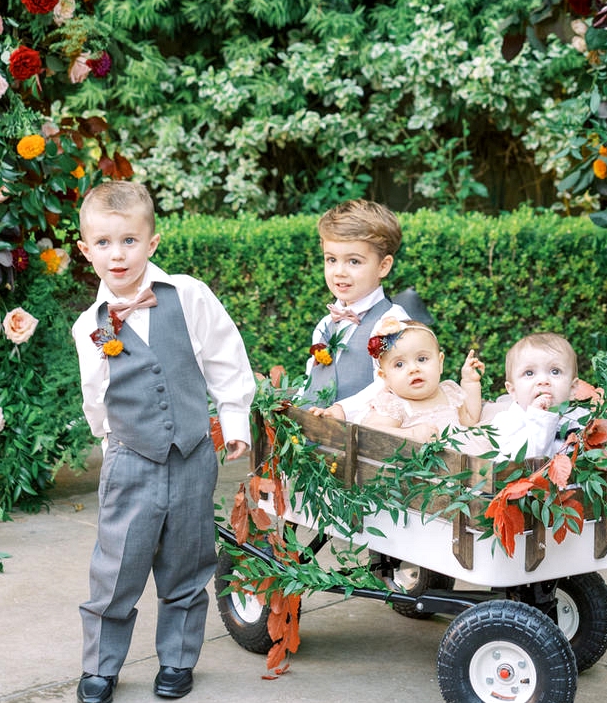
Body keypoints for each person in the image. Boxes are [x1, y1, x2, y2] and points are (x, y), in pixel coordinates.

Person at [71, 181, 255, 703]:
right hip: (131, 459)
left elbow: (224, 359)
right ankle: (101, 668)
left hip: (193, 456)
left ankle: (176, 660)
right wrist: (112, 447)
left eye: (129, 240)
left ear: (151, 243)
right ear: (86, 251)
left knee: (188, 563)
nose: (117, 254)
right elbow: (96, 395)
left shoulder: (188, 294)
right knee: (117, 569)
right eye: (103, 243)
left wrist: (234, 422)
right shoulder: (90, 325)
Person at [299, 200, 415, 418]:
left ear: (383, 266)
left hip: (361, 435)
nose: (339, 272)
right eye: (331, 259)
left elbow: (387, 385)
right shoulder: (326, 323)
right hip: (315, 433)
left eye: (353, 262)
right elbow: (312, 376)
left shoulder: (390, 322)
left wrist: (343, 410)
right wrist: (296, 404)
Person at [321, 316, 485, 443]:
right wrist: (410, 434)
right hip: (420, 473)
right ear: (385, 377)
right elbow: (370, 433)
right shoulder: (394, 405)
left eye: (422, 359)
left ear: (440, 363)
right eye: (399, 364)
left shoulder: (449, 393)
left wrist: (470, 382)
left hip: (460, 464)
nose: (414, 369)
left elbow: (470, 420)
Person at [483, 332, 582, 460]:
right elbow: (525, 462)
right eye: (529, 373)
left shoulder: (580, 418)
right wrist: (540, 417)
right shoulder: (505, 423)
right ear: (513, 391)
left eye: (555, 371)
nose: (543, 380)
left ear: (572, 388)